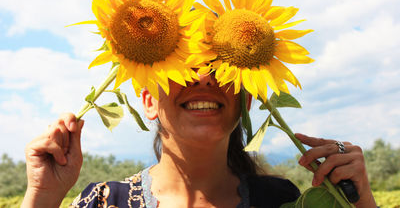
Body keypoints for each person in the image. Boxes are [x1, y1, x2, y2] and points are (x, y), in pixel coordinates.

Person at [21, 72, 377, 208]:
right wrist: (42, 196)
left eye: (221, 66)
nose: (204, 79)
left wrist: (360, 204)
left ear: (246, 102)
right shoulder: (105, 203)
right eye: (183, 67)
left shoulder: (279, 201)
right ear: (148, 101)